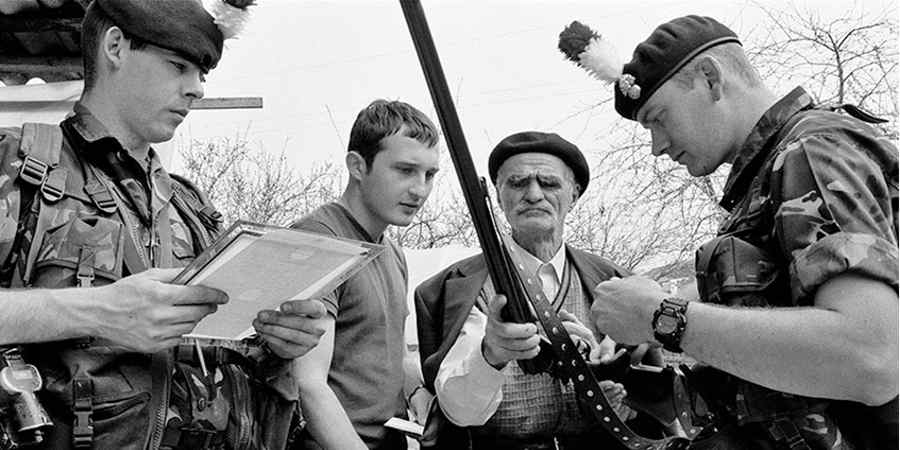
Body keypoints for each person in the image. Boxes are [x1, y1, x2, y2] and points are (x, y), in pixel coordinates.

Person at [0, 1, 327, 448]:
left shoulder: (192, 207)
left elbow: (222, 353)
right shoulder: (19, 165)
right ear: (115, 46)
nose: (196, 90)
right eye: (178, 66)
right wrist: (96, 310)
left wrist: (275, 342)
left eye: (202, 75)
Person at [565, 15, 898, 449]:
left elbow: (872, 358)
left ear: (710, 78)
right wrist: (644, 377)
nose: (656, 146)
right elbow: (780, 384)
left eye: (659, 118)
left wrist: (661, 316)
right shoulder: (770, 177)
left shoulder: (811, 152)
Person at [414, 131, 658, 450]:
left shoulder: (616, 281)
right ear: (498, 197)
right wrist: (491, 354)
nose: (533, 194)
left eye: (549, 183)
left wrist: (612, 389)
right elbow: (459, 411)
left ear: (575, 194)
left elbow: (656, 401)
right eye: (517, 183)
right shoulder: (452, 289)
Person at [290, 99, 441, 450]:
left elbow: (394, 350)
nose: (420, 190)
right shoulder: (319, 241)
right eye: (405, 170)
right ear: (357, 166)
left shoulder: (392, 251)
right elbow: (308, 384)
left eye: (429, 175)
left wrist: (416, 391)